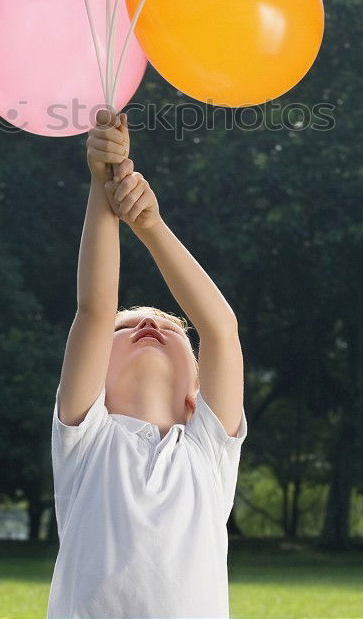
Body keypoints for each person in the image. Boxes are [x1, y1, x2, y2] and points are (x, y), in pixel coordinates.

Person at [47, 108, 247, 619]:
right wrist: (101, 188)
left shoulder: (207, 451)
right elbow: (93, 309)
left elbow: (221, 331)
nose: (149, 325)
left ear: (195, 391)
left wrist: (150, 224)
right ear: (96, 382)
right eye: (124, 327)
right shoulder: (87, 442)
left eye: (175, 330)